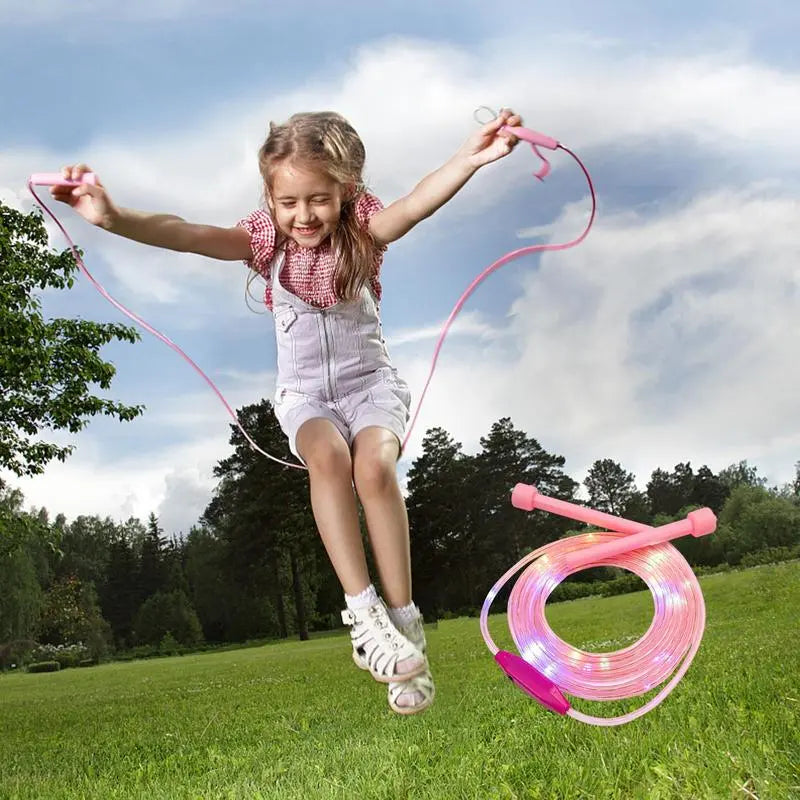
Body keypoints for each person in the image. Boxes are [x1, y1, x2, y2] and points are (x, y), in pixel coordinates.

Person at [53, 107, 523, 714]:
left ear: (345, 190)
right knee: (329, 459)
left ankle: (405, 626)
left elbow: (413, 204)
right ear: (271, 200)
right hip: (305, 395)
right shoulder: (263, 242)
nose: (304, 216)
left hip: (370, 384)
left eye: (319, 199)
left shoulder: (363, 232)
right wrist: (111, 217)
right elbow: (185, 232)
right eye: (289, 202)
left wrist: (468, 158)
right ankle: (364, 614)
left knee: (374, 469)